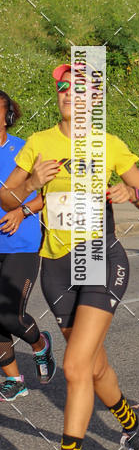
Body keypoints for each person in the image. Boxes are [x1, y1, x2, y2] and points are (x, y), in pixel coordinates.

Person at [0, 64, 139, 450]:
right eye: (63, 87)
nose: (69, 93)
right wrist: (31, 182)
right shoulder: (39, 144)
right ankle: (131, 421)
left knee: (73, 367)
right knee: (92, 367)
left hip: (101, 258)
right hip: (55, 267)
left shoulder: (108, 145)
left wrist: (130, 195)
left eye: (79, 88)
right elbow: (5, 196)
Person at [0, 91, 56, 402]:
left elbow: (46, 195)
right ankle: (14, 379)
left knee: (9, 315)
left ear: (8, 115)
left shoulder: (25, 149)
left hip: (21, 244)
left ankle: (40, 346)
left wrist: (20, 212)